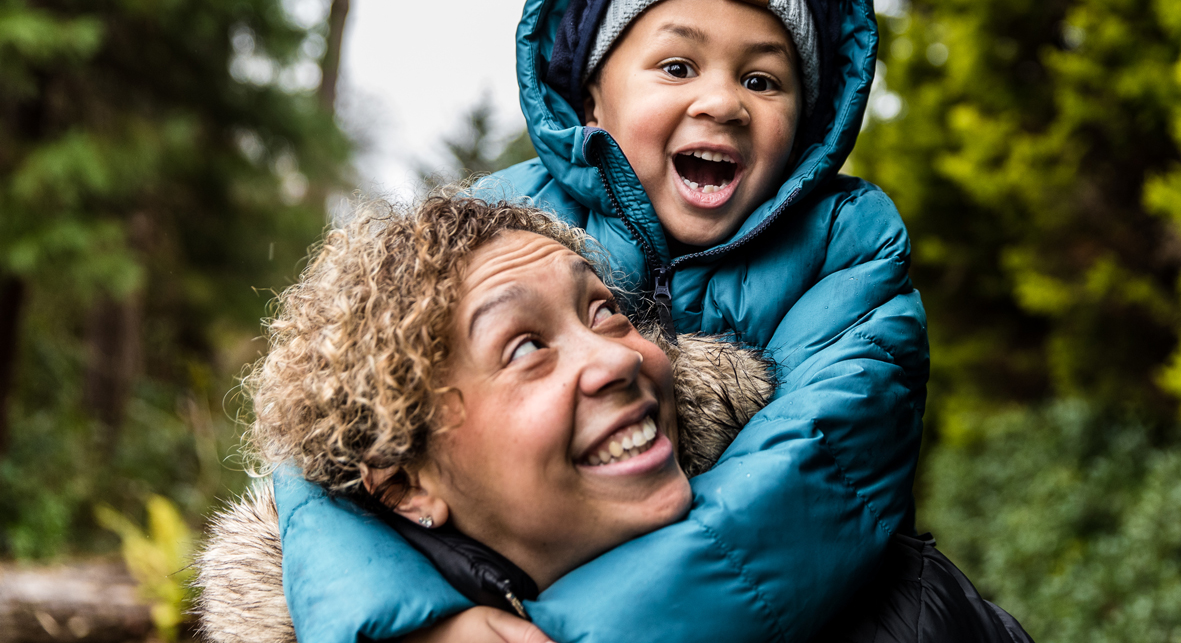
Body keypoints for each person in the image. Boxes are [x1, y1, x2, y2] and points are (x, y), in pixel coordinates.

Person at [273, 0, 930, 643]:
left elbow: (819, 472)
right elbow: (333, 440)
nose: (722, 101)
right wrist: (425, 623)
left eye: (764, 80)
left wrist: (570, 632)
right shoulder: (498, 228)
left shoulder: (848, 248)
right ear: (593, 93)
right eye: (678, 65)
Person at [196, 194, 1030, 643]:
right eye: (525, 347)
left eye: (604, 313)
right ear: (406, 482)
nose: (619, 358)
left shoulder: (898, 603)